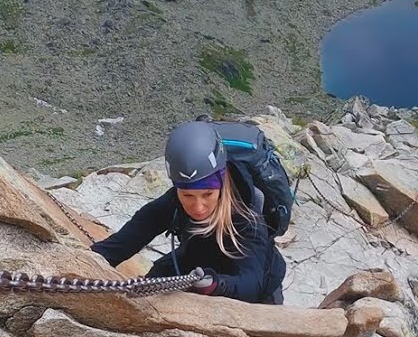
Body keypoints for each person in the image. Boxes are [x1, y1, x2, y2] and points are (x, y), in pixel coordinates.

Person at [89, 120, 286, 304]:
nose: (198, 207)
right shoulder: (172, 202)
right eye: (188, 196)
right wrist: (85, 262)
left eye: (207, 194)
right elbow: (123, 243)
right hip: (197, 261)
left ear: (222, 181)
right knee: (147, 287)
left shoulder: (246, 216)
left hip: (257, 285)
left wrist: (217, 284)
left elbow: (251, 283)